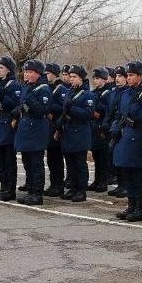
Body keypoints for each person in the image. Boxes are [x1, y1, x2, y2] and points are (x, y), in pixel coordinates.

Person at [111, 61, 142, 221]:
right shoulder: (126, 93)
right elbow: (119, 114)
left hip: (137, 136)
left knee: (137, 174)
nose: (128, 78)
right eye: (127, 75)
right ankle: (131, 205)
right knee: (127, 173)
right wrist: (115, 127)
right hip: (125, 136)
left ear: (140, 76)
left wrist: (134, 115)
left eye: (131, 75)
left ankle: (139, 208)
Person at [14, 60, 51, 205]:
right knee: (27, 161)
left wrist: (29, 99)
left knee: (36, 163)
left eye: (30, 72)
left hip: (36, 128)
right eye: (26, 72)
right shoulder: (27, 87)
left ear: (38, 74)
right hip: (26, 128)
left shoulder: (43, 89)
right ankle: (30, 190)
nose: (27, 75)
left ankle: (37, 193)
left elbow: (42, 110)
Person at [58, 65, 94, 202]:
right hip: (68, 132)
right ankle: (73, 188)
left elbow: (88, 114)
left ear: (81, 78)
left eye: (74, 77)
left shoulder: (87, 94)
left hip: (80, 133)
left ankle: (81, 191)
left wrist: (72, 108)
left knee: (80, 164)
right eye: (70, 76)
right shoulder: (69, 91)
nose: (71, 79)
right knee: (70, 163)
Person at [0, 56, 22, 201]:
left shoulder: (14, 85)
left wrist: (4, 98)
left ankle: (10, 189)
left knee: (9, 158)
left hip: (9, 123)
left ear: (9, 69)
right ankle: (3, 186)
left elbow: (15, 103)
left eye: (2, 67)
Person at [105, 65, 129, 198]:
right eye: (116, 76)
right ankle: (120, 184)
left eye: (121, 76)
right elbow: (110, 111)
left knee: (122, 157)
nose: (118, 79)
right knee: (114, 157)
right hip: (113, 127)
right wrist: (106, 125)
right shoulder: (113, 92)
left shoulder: (126, 92)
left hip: (123, 129)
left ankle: (125, 185)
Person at [43, 63, 67, 197]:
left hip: (57, 126)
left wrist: (51, 109)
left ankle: (58, 185)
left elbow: (63, 107)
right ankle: (53, 183)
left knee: (56, 158)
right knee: (51, 158)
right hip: (49, 126)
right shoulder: (48, 87)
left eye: (49, 73)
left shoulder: (61, 88)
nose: (46, 75)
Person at [89, 67, 114, 192]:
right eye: (94, 78)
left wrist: (96, 109)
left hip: (102, 127)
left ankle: (103, 181)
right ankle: (97, 180)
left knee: (103, 157)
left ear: (104, 80)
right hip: (94, 127)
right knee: (96, 156)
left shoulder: (108, 93)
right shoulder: (94, 92)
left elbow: (107, 109)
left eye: (97, 78)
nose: (95, 81)